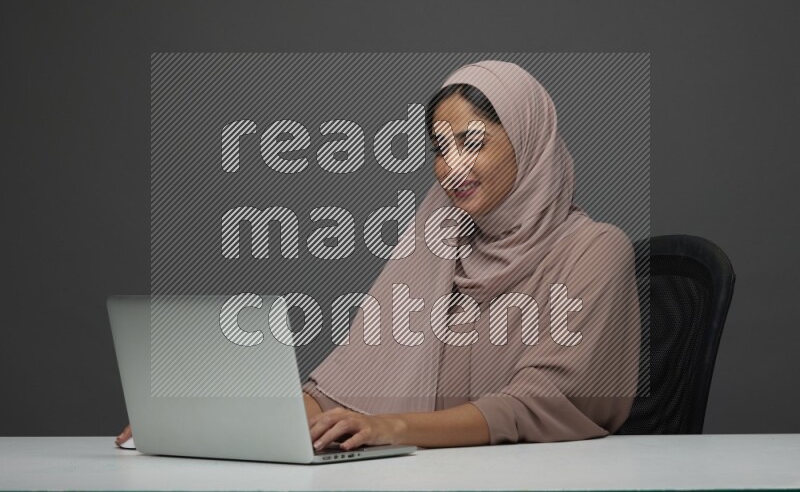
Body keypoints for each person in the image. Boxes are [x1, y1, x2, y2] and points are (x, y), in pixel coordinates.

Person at [116, 60, 641, 451]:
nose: (451, 166)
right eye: (440, 148)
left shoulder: (595, 250)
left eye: (472, 142)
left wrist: (390, 428)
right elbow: (340, 390)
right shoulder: (440, 240)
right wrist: (207, 424)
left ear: (529, 142)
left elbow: (537, 404)